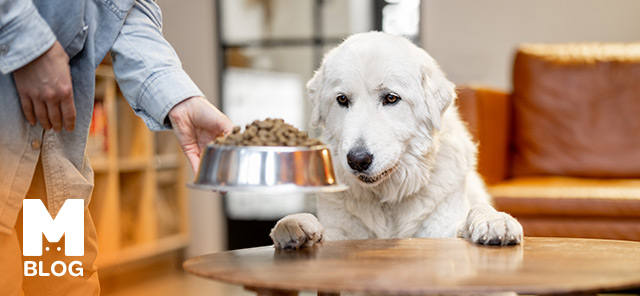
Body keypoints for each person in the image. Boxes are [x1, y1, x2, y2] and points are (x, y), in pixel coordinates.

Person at [0, 0, 233, 295]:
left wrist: (179, 98)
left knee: (72, 287)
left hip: (56, 168)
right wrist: (29, 44)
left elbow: (125, 9)